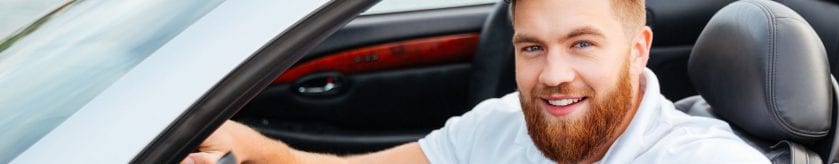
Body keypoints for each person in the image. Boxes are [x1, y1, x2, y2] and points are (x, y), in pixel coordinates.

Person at [182, 0, 769, 163]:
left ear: (637, 50)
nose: (554, 76)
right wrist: (248, 147)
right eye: (532, 47)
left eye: (582, 43)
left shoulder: (697, 156)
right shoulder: (505, 122)